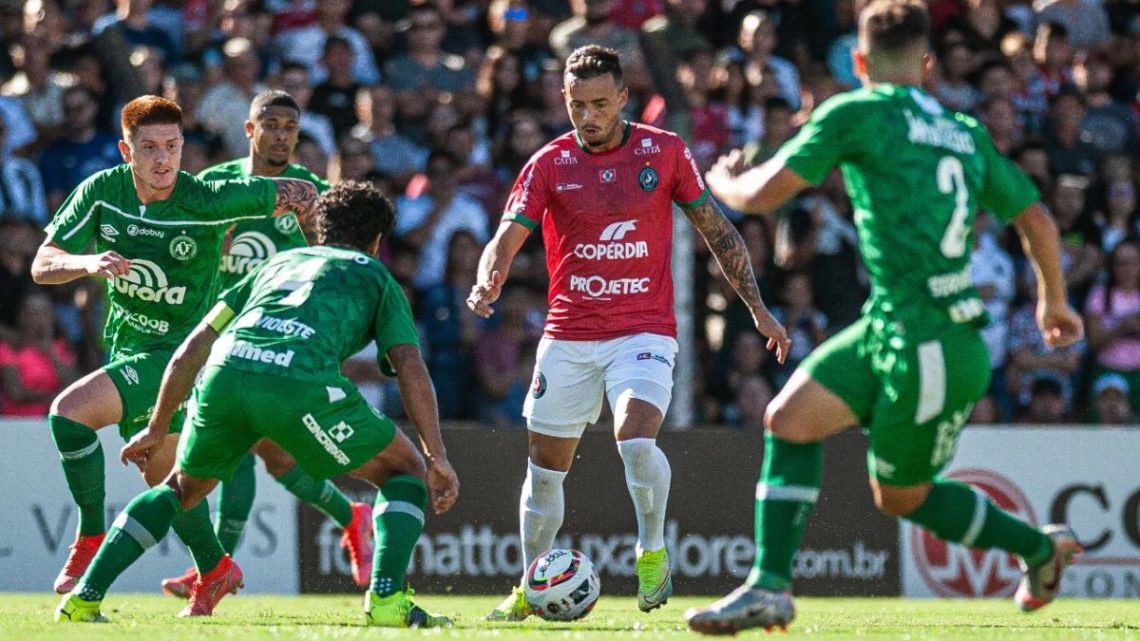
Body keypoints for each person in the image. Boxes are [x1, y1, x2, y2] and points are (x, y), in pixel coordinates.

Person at [684, 0, 1086, 634]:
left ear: (861, 61)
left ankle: (1039, 549)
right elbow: (1035, 217)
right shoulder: (964, 130)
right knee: (788, 422)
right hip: (892, 325)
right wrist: (1053, 300)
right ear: (927, 65)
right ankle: (769, 588)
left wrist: (721, 181)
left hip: (931, 342)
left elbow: (762, 196)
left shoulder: (857, 112)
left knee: (901, 498)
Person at [466, 45, 789, 621]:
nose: (587, 116)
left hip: (642, 329)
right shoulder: (549, 162)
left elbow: (718, 231)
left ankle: (651, 551)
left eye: (598, 103)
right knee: (544, 476)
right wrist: (491, 272)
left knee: (636, 438)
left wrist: (758, 309)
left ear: (622, 98)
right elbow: (507, 234)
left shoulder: (663, 152)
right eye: (575, 104)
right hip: (567, 334)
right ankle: (530, 584)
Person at [54, 181, 460, 628]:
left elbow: (196, 344)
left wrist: (157, 424)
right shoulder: (375, 275)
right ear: (377, 241)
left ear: (319, 230)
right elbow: (408, 362)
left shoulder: (278, 264)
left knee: (179, 489)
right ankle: (386, 598)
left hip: (224, 375)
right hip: (298, 381)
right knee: (404, 471)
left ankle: (84, 600)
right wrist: (435, 455)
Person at [31, 95, 318, 616]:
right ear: (126, 151)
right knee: (167, 483)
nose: (163, 159)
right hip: (128, 347)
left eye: (172, 146)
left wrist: (323, 261)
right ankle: (215, 569)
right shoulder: (101, 192)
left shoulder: (208, 198)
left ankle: (90, 535)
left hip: (182, 355)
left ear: (183, 147)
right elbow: (43, 265)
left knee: (68, 416)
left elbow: (301, 191)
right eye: (150, 148)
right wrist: (87, 260)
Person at [158, 90, 375, 600]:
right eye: (270, 124)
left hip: (279, 339)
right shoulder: (216, 185)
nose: (280, 134)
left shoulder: (312, 193)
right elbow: (177, 243)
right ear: (249, 130)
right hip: (219, 328)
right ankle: (353, 516)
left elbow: (336, 262)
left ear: (297, 136)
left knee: (238, 445)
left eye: (289, 127)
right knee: (276, 457)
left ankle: (212, 572)